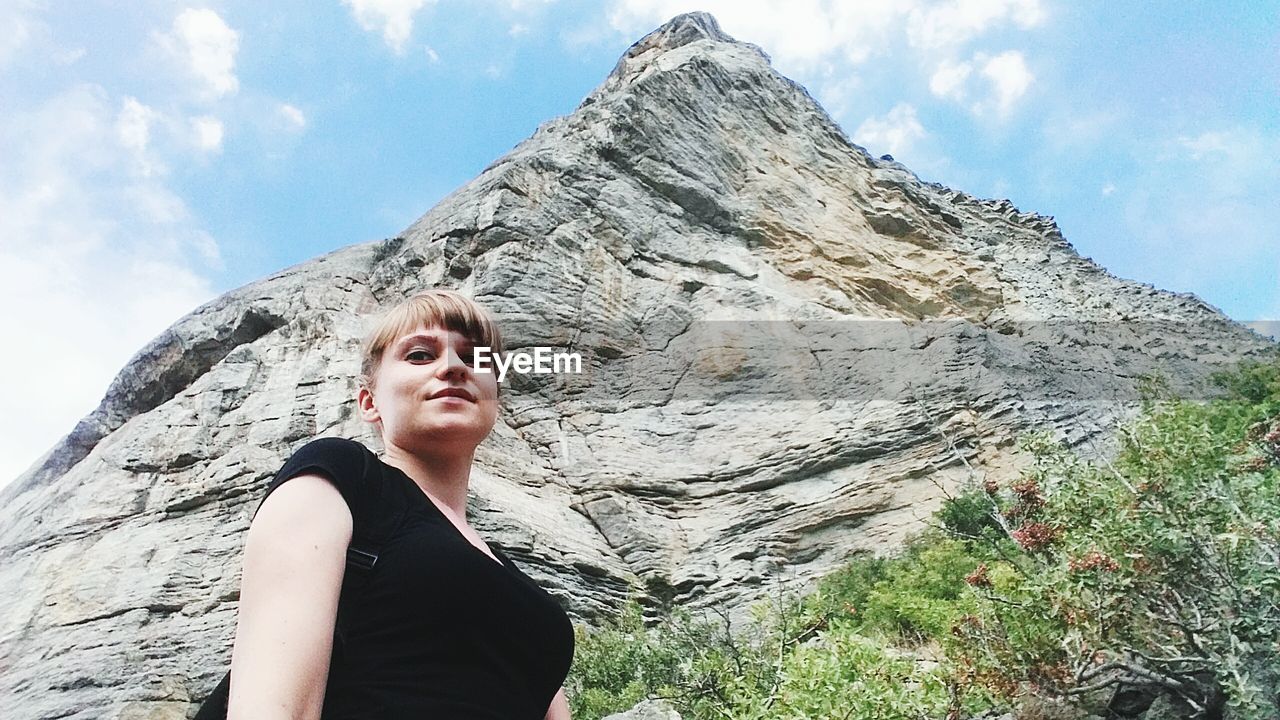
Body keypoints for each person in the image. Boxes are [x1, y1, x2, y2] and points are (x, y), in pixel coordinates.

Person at [226, 290, 575, 719]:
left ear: (495, 400)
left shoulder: (517, 582)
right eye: (420, 355)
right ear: (369, 403)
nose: (452, 367)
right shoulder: (343, 476)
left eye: (474, 358)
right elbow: (274, 709)